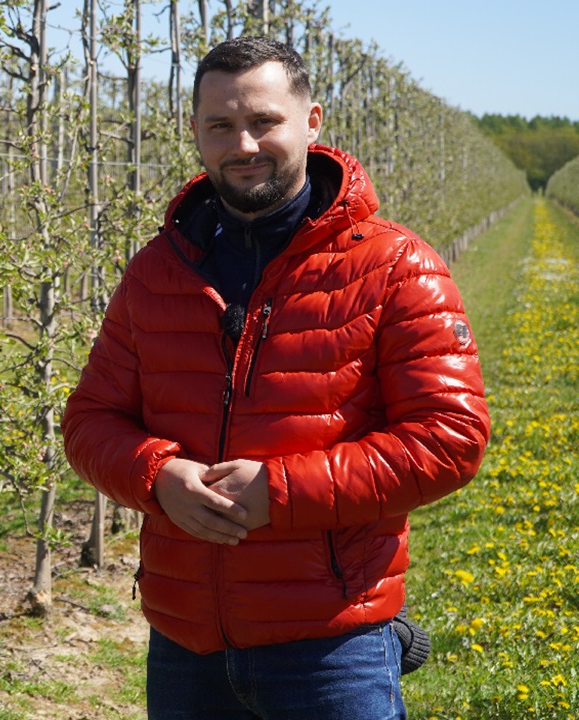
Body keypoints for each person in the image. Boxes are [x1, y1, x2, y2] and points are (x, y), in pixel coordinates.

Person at [61, 37, 489, 719]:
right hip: (186, 641)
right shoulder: (156, 273)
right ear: (196, 132)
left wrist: (280, 492)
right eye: (221, 126)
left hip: (332, 646)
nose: (244, 144)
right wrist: (157, 475)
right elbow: (89, 421)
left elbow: (450, 437)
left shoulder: (395, 267)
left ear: (311, 122)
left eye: (265, 121)